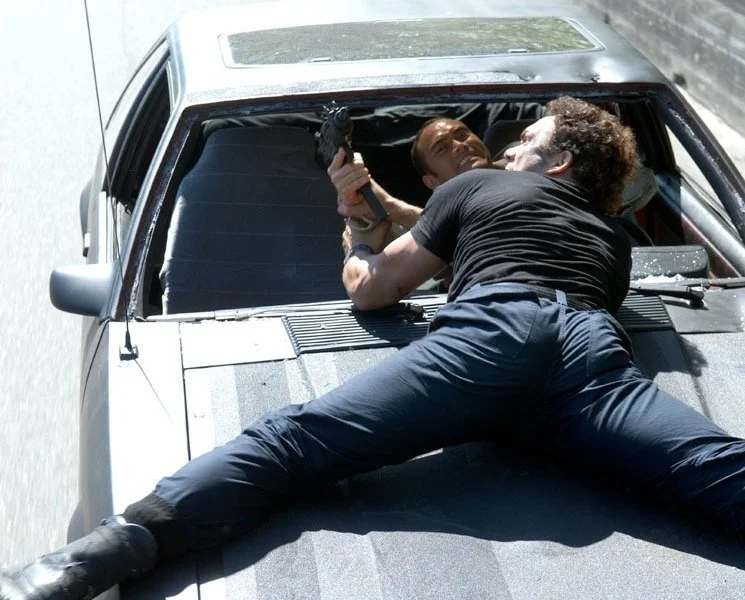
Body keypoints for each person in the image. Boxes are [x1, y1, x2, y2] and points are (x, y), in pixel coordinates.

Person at [4, 96, 745, 600]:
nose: (507, 149)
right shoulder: (612, 240)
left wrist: (354, 231)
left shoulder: (475, 188)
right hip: (588, 357)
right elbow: (482, 238)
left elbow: (374, 291)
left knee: (296, 442)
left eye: (527, 143)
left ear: (556, 165)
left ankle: (91, 559)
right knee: (714, 468)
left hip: (492, 337)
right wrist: (371, 203)